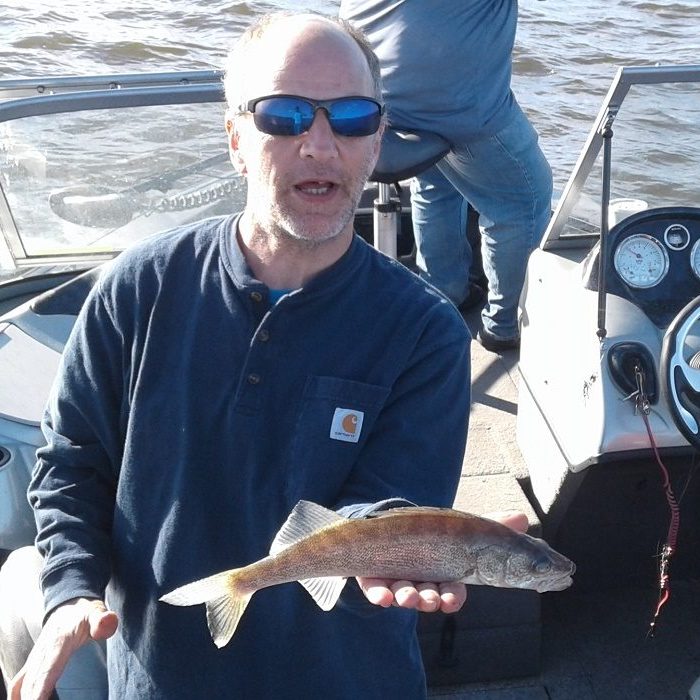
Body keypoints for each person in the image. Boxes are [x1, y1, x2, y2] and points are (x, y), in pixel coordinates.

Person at [0, 13, 528, 700]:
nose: (320, 144)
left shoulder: (425, 330)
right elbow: (72, 462)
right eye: (284, 115)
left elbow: (393, 498)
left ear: (376, 144)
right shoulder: (137, 288)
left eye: (352, 117)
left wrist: (398, 550)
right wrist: (70, 590)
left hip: (352, 680)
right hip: (161, 676)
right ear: (235, 141)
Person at [339, 0, 554, 352]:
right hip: (458, 109)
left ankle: (443, 292)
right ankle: (505, 324)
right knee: (521, 201)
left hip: (380, 103)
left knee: (436, 185)